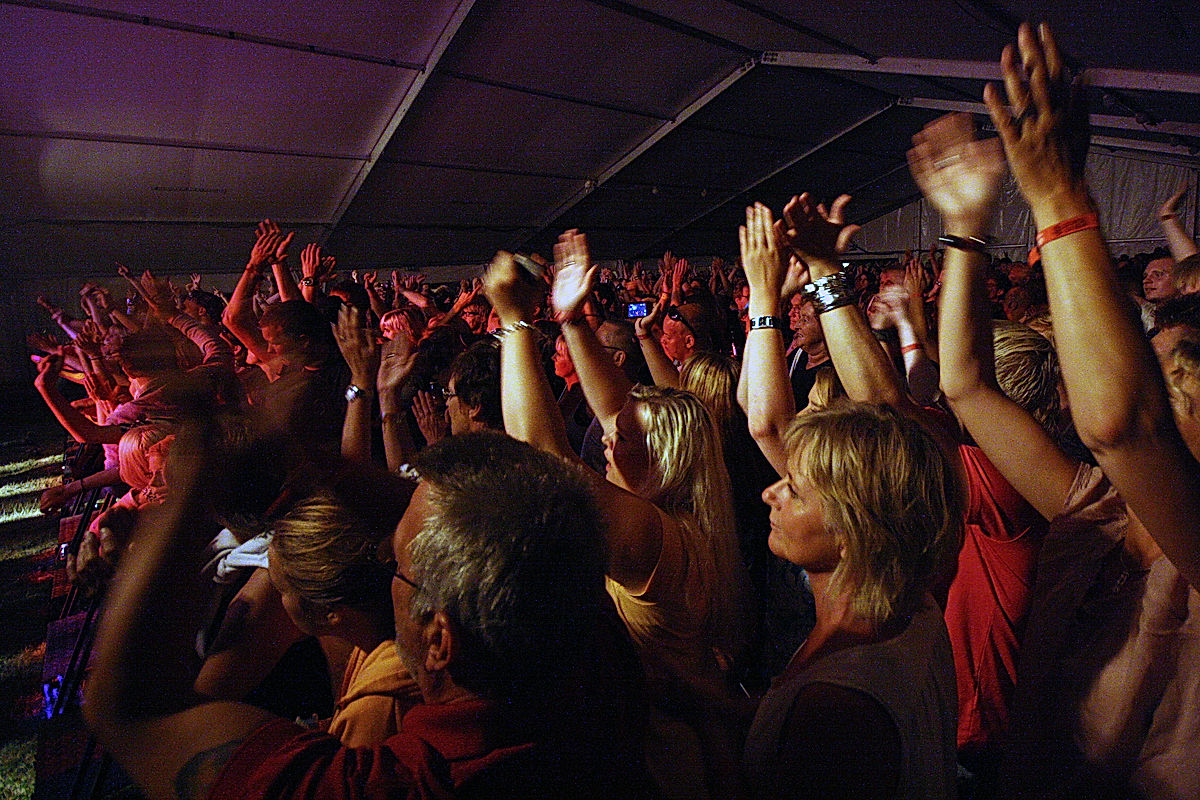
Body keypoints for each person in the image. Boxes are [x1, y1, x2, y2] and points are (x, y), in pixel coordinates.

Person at [84, 424, 653, 800]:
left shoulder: (385, 785)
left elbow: (129, 710)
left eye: (396, 567)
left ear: (438, 638)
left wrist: (190, 492)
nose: (384, 575)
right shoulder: (585, 634)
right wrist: (312, 466)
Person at [484, 235, 752, 800]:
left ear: (665, 462)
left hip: (657, 761)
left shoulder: (660, 542)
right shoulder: (686, 519)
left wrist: (513, 322)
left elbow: (540, 459)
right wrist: (573, 322)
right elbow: (617, 409)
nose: (605, 443)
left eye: (621, 440)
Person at [744, 403, 962, 799]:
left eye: (793, 489)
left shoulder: (837, 709)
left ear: (853, 534)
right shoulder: (917, 609)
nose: (769, 493)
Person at [267, 468, 421, 747]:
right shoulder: (375, 641)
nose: (280, 601)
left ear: (330, 613)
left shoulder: (375, 710)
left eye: (282, 590)